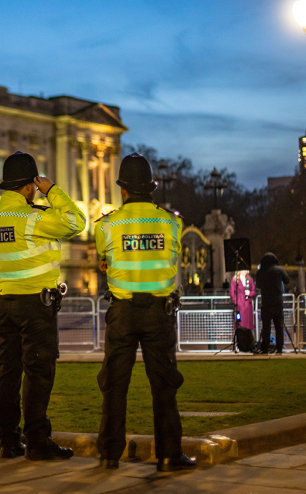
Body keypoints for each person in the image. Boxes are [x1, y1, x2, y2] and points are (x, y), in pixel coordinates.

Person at [94, 153, 196, 473]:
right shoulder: (172, 223)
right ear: (151, 188)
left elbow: (106, 258)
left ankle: (110, 453)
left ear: (123, 190)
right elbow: (169, 256)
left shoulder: (107, 225)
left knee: (115, 384)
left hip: (122, 312)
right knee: (164, 384)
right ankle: (168, 454)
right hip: (158, 312)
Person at [0, 151, 85, 461]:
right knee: (38, 372)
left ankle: (8, 439)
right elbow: (75, 221)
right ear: (30, 186)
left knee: (7, 373)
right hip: (35, 306)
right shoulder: (33, 219)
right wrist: (52, 191)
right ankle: (38, 440)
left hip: (5, 303)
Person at [255, 252, 289, 354]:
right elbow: (287, 280)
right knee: (279, 327)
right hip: (278, 302)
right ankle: (279, 348)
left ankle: (265, 348)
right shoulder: (279, 270)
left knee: (266, 327)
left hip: (266, 303)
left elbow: (258, 286)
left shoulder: (260, 272)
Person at [229, 269, 256, 350]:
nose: (245, 271)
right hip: (239, 306)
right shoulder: (235, 280)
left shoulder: (249, 280)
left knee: (248, 325)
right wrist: (236, 302)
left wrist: (250, 293)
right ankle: (240, 344)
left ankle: (248, 345)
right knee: (239, 324)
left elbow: (253, 291)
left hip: (248, 305)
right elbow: (232, 292)